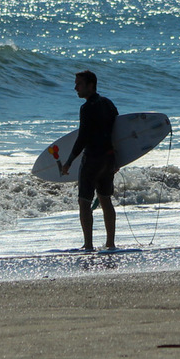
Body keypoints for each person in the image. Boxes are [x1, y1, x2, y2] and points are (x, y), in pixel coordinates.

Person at [59, 70, 119, 251]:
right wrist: (118, 159)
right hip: (108, 159)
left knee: (84, 201)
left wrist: (69, 161)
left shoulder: (86, 108)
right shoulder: (108, 104)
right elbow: (118, 132)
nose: (75, 87)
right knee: (105, 199)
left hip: (92, 159)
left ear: (90, 85)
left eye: (79, 84)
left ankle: (89, 245)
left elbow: (83, 137)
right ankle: (110, 243)